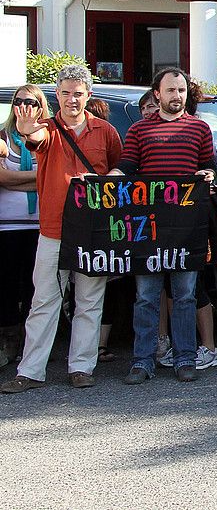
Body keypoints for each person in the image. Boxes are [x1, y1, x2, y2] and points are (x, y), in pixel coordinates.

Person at [1, 68, 121, 394]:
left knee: (89, 300)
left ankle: (81, 367)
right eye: (66, 93)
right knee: (44, 301)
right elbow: (35, 140)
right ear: (57, 94)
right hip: (53, 229)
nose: (71, 99)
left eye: (78, 93)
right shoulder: (48, 130)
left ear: (88, 95)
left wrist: (107, 179)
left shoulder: (106, 131)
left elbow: (118, 167)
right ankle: (30, 371)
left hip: (93, 230)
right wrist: (27, 131)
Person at [112, 68, 217, 384]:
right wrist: (100, 183)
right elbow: (126, 168)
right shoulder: (139, 130)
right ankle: (142, 360)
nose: (177, 96)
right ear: (156, 93)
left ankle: (185, 358)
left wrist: (210, 177)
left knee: (185, 295)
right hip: (149, 228)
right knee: (146, 295)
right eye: (171, 90)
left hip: (187, 227)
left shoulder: (200, 128)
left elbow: (209, 167)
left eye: (182, 90)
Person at [0, 85, 47, 370]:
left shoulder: (47, 137)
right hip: (7, 226)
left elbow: (55, 177)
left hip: (43, 225)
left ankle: (33, 344)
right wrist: (40, 177)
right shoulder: (2, 138)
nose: (24, 106)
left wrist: (19, 178)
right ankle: (8, 338)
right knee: (6, 285)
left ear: (41, 106)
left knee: (36, 287)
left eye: (31, 101)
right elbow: (2, 178)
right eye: (19, 101)